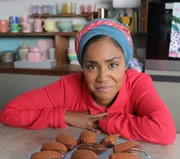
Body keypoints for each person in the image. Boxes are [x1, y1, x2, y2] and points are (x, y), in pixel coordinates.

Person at [0, 18, 176, 145]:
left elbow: (165, 132)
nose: (102, 77)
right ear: (82, 67)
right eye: (92, 66)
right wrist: (65, 116)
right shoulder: (68, 86)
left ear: (126, 64)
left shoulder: (138, 83)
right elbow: (9, 112)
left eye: (113, 65)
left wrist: (103, 122)